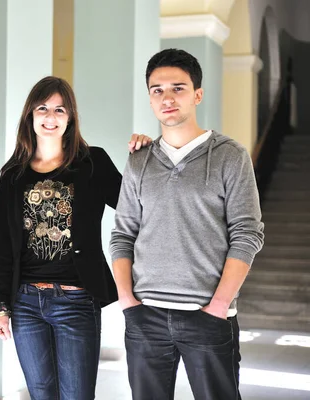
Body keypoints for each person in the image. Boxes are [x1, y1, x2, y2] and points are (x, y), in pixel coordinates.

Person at [110, 48, 265, 400]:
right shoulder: (139, 160)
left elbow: (247, 233)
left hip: (208, 315)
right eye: (157, 90)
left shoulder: (230, 156)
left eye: (178, 88)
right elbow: (122, 233)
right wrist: (127, 301)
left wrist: (219, 307)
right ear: (149, 98)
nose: (167, 98)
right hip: (145, 314)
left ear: (197, 94)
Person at [0, 76, 151, 399]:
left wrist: (145, 159)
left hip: (76, 300)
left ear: (70, 117)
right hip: (25, 303)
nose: (51, 117)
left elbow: (136, 205)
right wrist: (0, 307)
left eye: (60, 110)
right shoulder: (13, 174)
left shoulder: (92, 163)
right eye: (43, 108)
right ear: (30, 116)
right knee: (40, 393)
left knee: (77, 395)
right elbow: (2, 246)